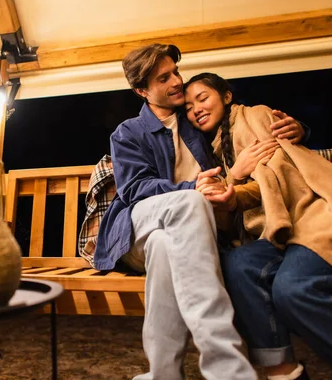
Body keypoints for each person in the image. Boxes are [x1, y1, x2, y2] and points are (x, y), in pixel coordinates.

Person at [94, 43, 306, 380]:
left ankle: (163, 374)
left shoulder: (196, 122)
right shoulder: (129, 132)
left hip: (181, 236)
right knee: (190, 204)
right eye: (164, 78)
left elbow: (242, 125)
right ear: (142, 91)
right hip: (138, 230)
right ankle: (227, 368)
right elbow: (134, 190)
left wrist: (296, 129)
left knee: (165, 246)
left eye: (175, 72)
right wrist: (190, 188)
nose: (177, 81)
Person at [183, 72, 332, 380]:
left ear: (227, 96)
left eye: (203, 98)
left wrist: (234, 181)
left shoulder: (254, 116)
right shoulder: (217, 149)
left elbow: (278, 173)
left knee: (292, 290)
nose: (195, 109)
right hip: (279, 232)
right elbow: (239, 208)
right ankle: (283, 371)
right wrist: (232, 181)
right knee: (239, 264)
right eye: (189, 106)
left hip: (314, 218)